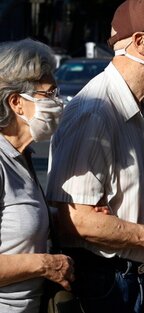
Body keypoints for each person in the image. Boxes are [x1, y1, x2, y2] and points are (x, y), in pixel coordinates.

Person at [45, 0, 144, 312]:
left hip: (128, 281)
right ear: (140, 42)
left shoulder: (130, 108)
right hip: (103, 285)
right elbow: (74, 221)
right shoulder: (95, 111)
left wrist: (137, 229)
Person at [0, 39, 74, 312]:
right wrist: (45, 264)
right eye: (49, 94)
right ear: (17, 103)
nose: (58, 102)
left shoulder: (21, 157)